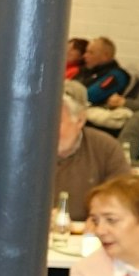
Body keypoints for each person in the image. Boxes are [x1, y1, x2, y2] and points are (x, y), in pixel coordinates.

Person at [54, 86, 132, 222]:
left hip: (91, 235)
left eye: (56, 122)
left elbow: (124, 198)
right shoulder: (22, 149)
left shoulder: (106, 148)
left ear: (80, 120)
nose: (47, 129)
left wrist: (97, 221)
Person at [76, 37, 133, 106]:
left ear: (105, 56)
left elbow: (89, 96)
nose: (85, 56)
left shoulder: (117, 76)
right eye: (86, 51)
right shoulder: (87, 70)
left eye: (91, 52)